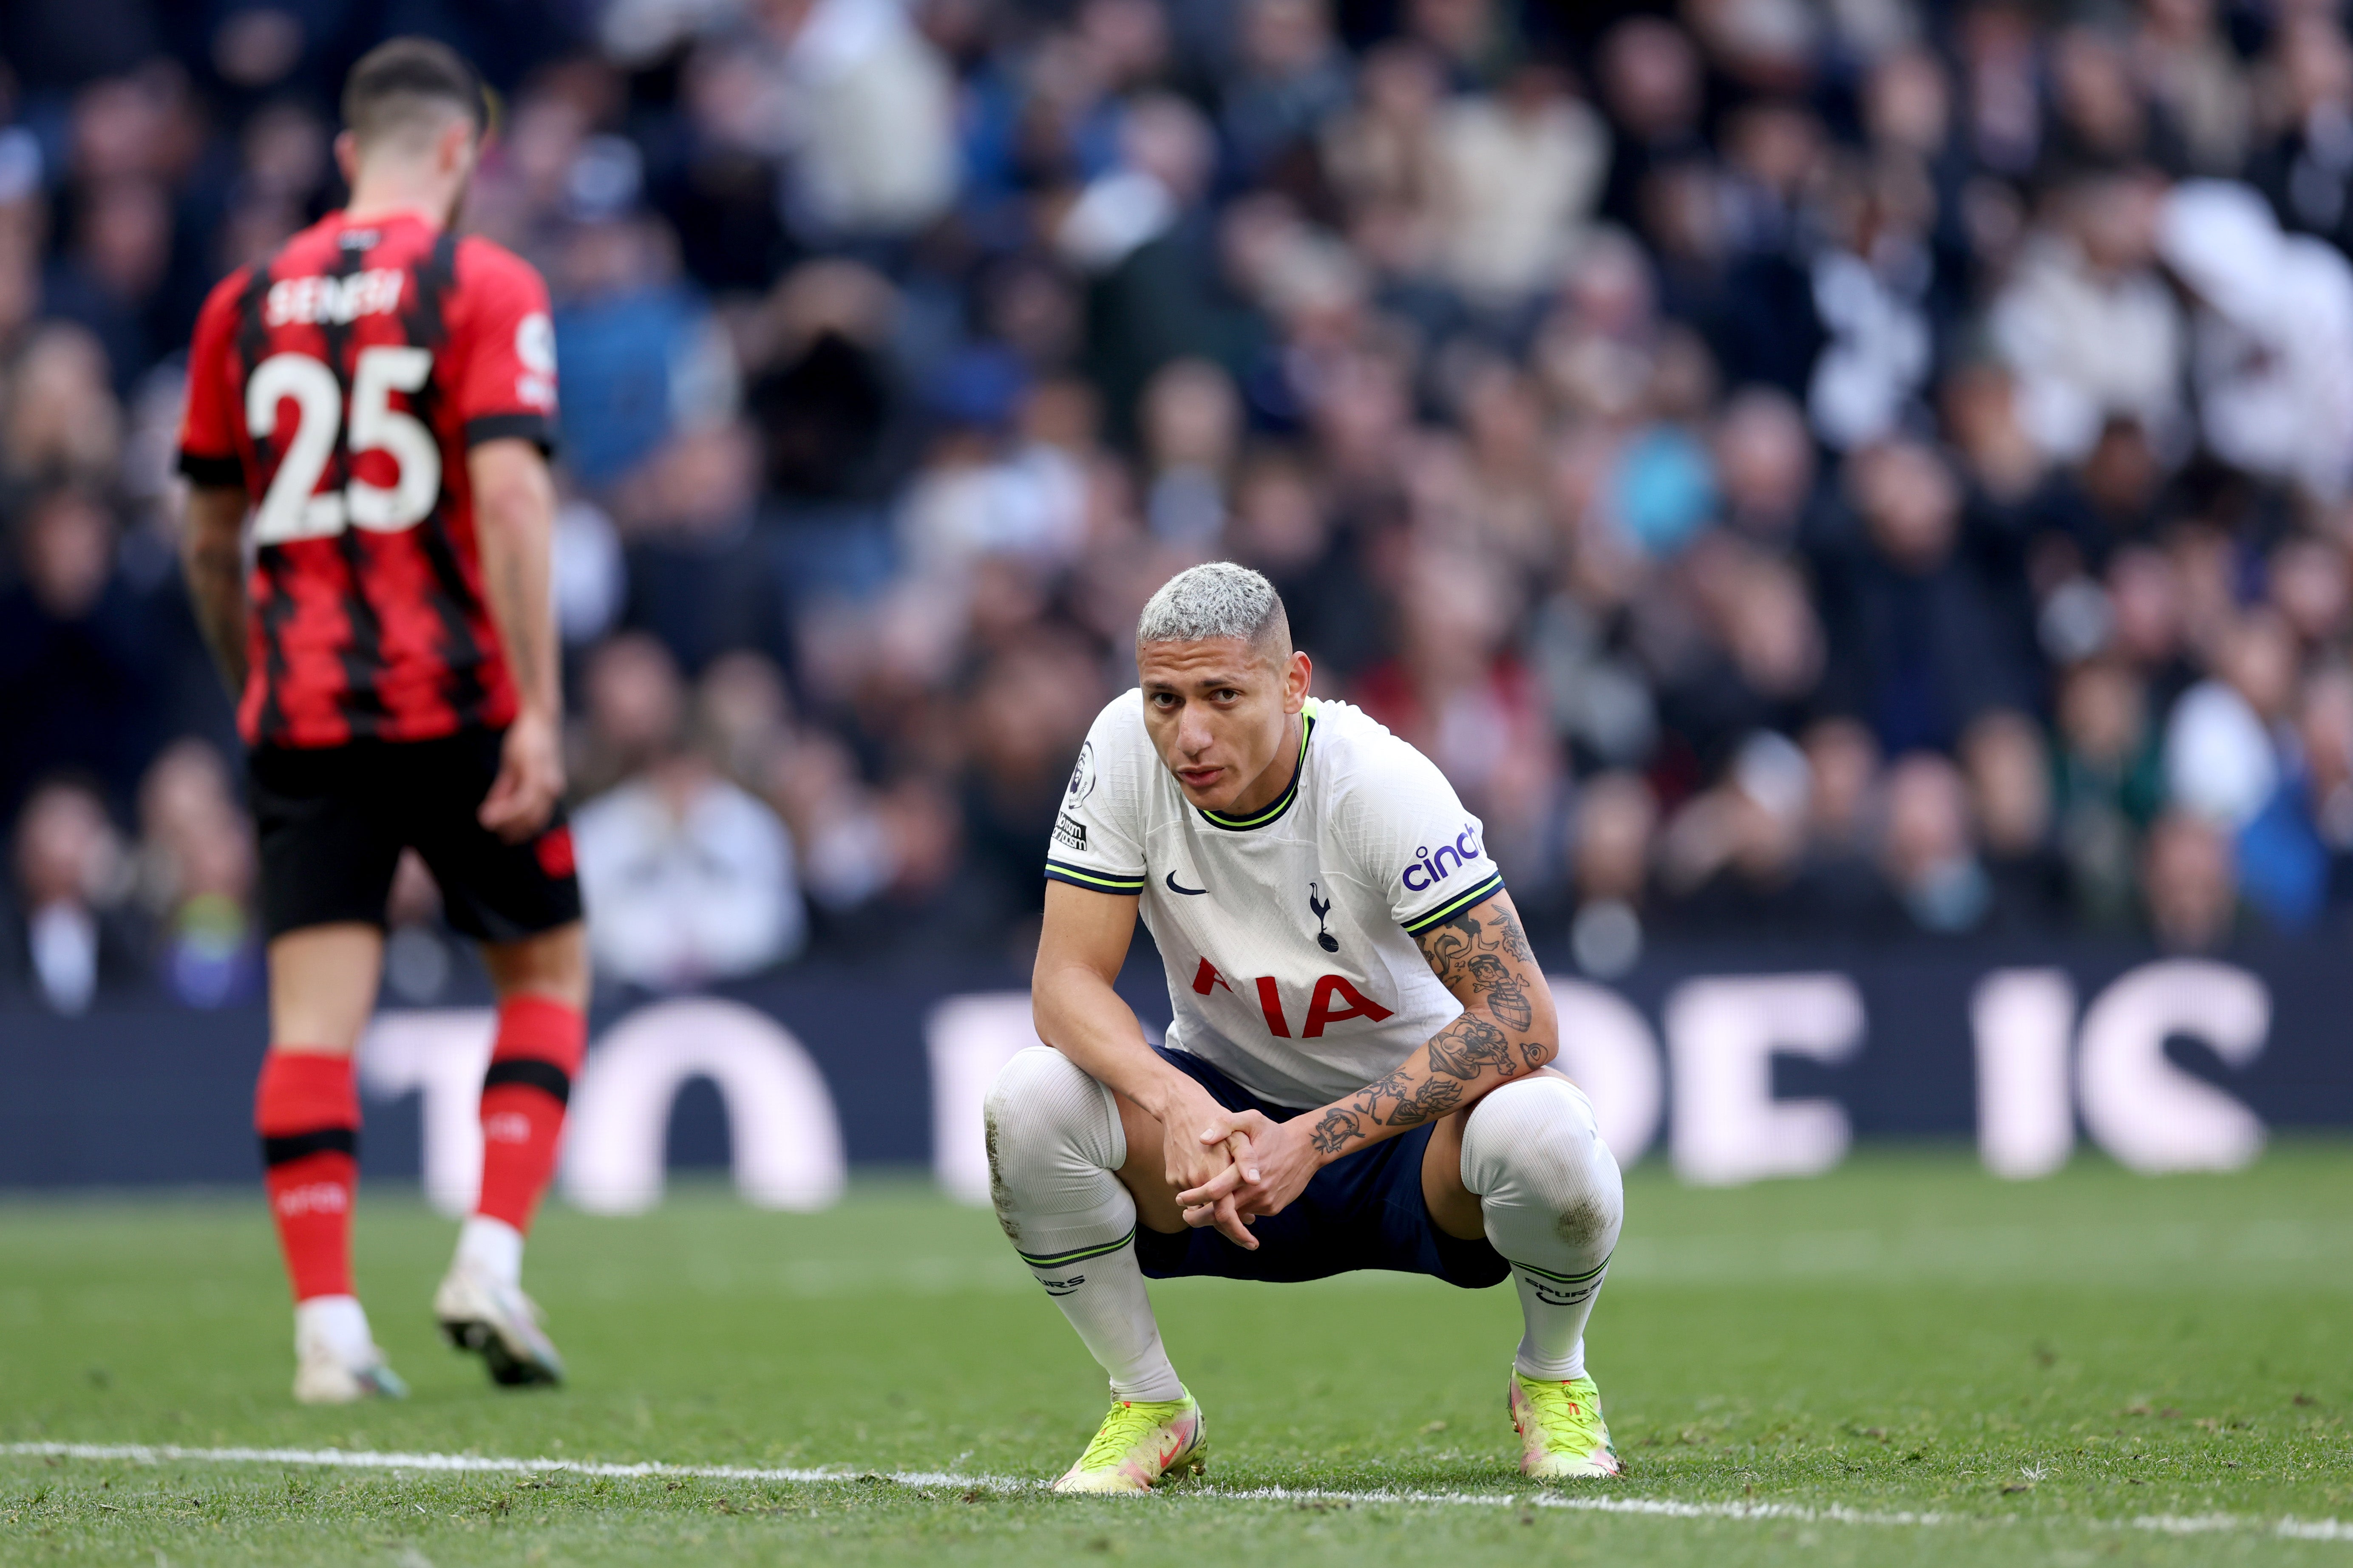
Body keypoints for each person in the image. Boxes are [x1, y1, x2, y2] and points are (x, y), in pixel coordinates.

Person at [989, 562, 1625, 1492]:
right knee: (1027, 1098)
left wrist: (1316, 1141)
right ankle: (1148, 1403)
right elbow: (1064, 985)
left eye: (1222, 695)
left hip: (1408, 1143)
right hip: (1228, 1138)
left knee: (1548, 1135)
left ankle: (1553, 1377)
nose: (1189, 734)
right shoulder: (1124, 751)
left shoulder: (1378, 784)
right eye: (1163, 699)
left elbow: (1522, 1018)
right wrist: (1175, 1102)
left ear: (1292, 685)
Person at [175, 38, 587, 1405]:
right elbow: (516, 501)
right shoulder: (484, 280)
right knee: (545, 977)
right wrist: (538, 708)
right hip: (460, 696)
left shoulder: (239, 304)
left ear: (350, 155)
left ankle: (327, 1331)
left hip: (304, 712)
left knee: (311, 1028)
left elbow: (207, 528)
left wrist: (253, 675)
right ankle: (486, 1254)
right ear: (461, 154)